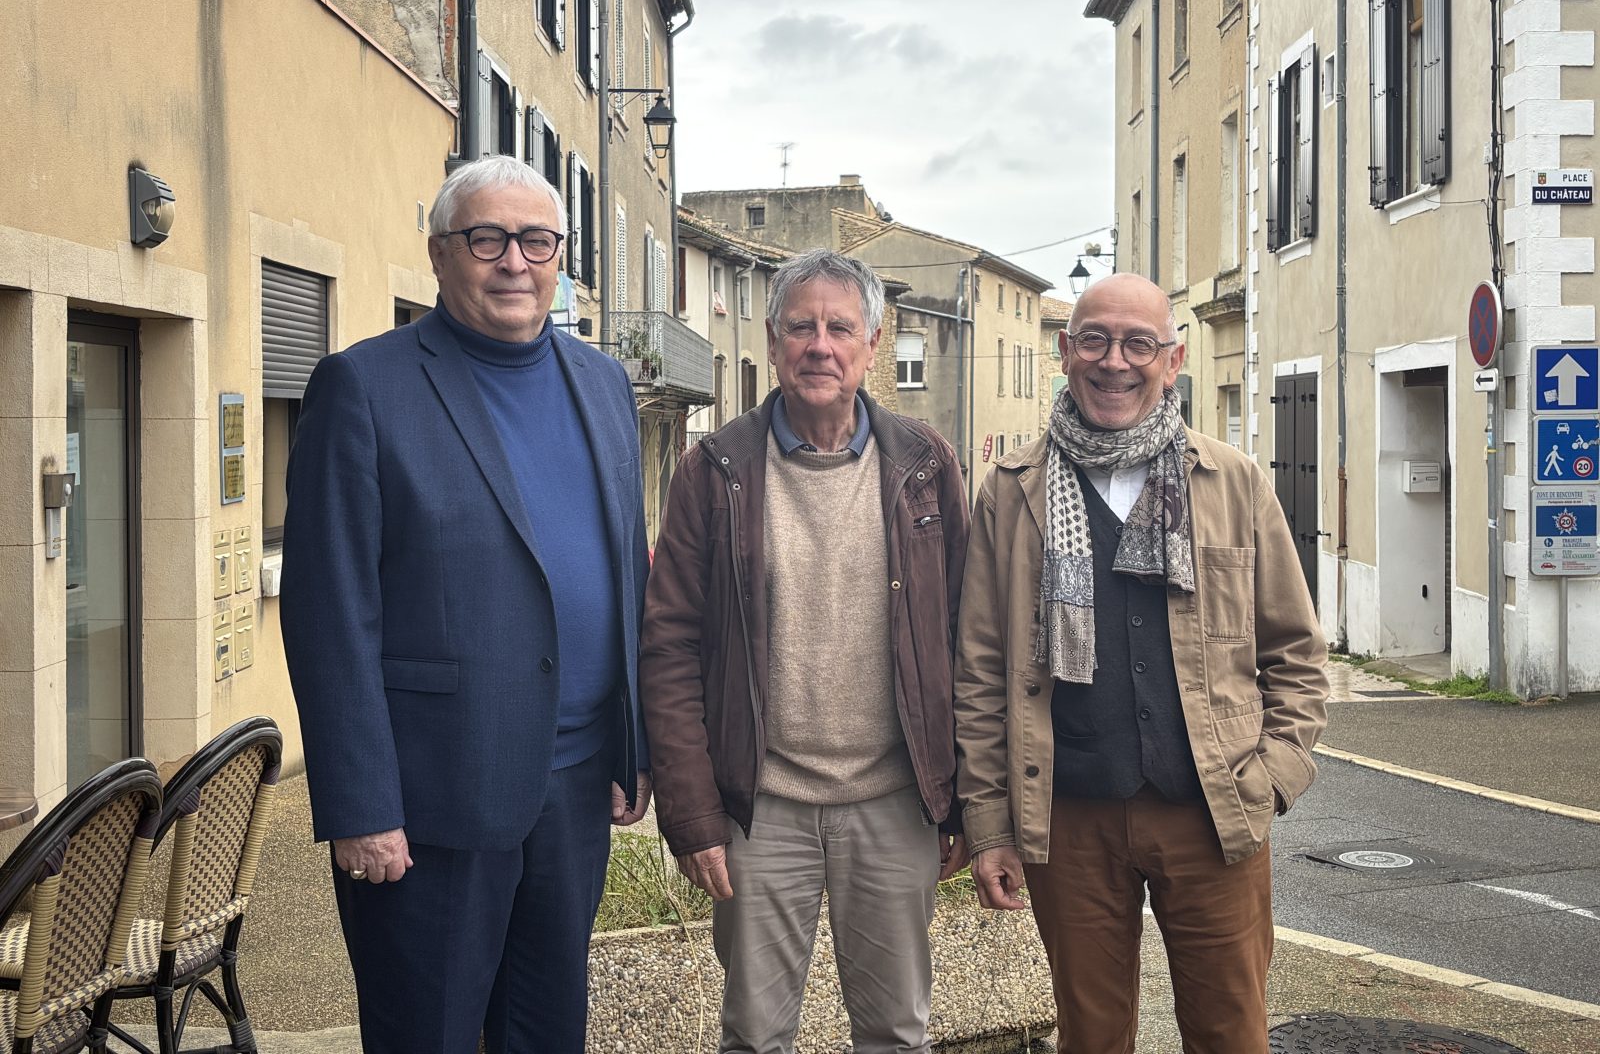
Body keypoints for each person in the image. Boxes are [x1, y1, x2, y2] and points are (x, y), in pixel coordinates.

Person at [281, 155, 651, 1054]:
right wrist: (362, 805)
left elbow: (625, 571)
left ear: (560, 256)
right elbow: (329, 612)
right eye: (487, 239)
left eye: (536, 241)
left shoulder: (604, 385)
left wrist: (630, 743)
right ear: (441, 253)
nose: (514, 261)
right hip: (431, 802)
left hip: (573, 790)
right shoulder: (363, 387)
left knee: (548, 1033)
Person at [954, 273, 1328, 1054]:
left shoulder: (1233, 482)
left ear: (1173, 359)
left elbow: (1295, 652)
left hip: (1214, 811)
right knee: (1091, 1038)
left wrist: (1273, 778)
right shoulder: (1011, 491)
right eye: (1095, 340)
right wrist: (989, 826)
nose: (1114, 361)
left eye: (1138, 344)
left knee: (1231, 1034)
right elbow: (981, 673)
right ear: (1065, 351)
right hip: (1068, 817)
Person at [641, 249, 970, 1054]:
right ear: (772, 338)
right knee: (755, 1037)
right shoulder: (713, 470)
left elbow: (968, 640)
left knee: (896, 1035)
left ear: (872, 344)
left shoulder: (927, 466)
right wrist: (694, 814)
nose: (820, 345)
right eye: (801, 327)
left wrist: (966, 804)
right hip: (761, 808)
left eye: (840, 328)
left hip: (894, 803)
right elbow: (669, 648)